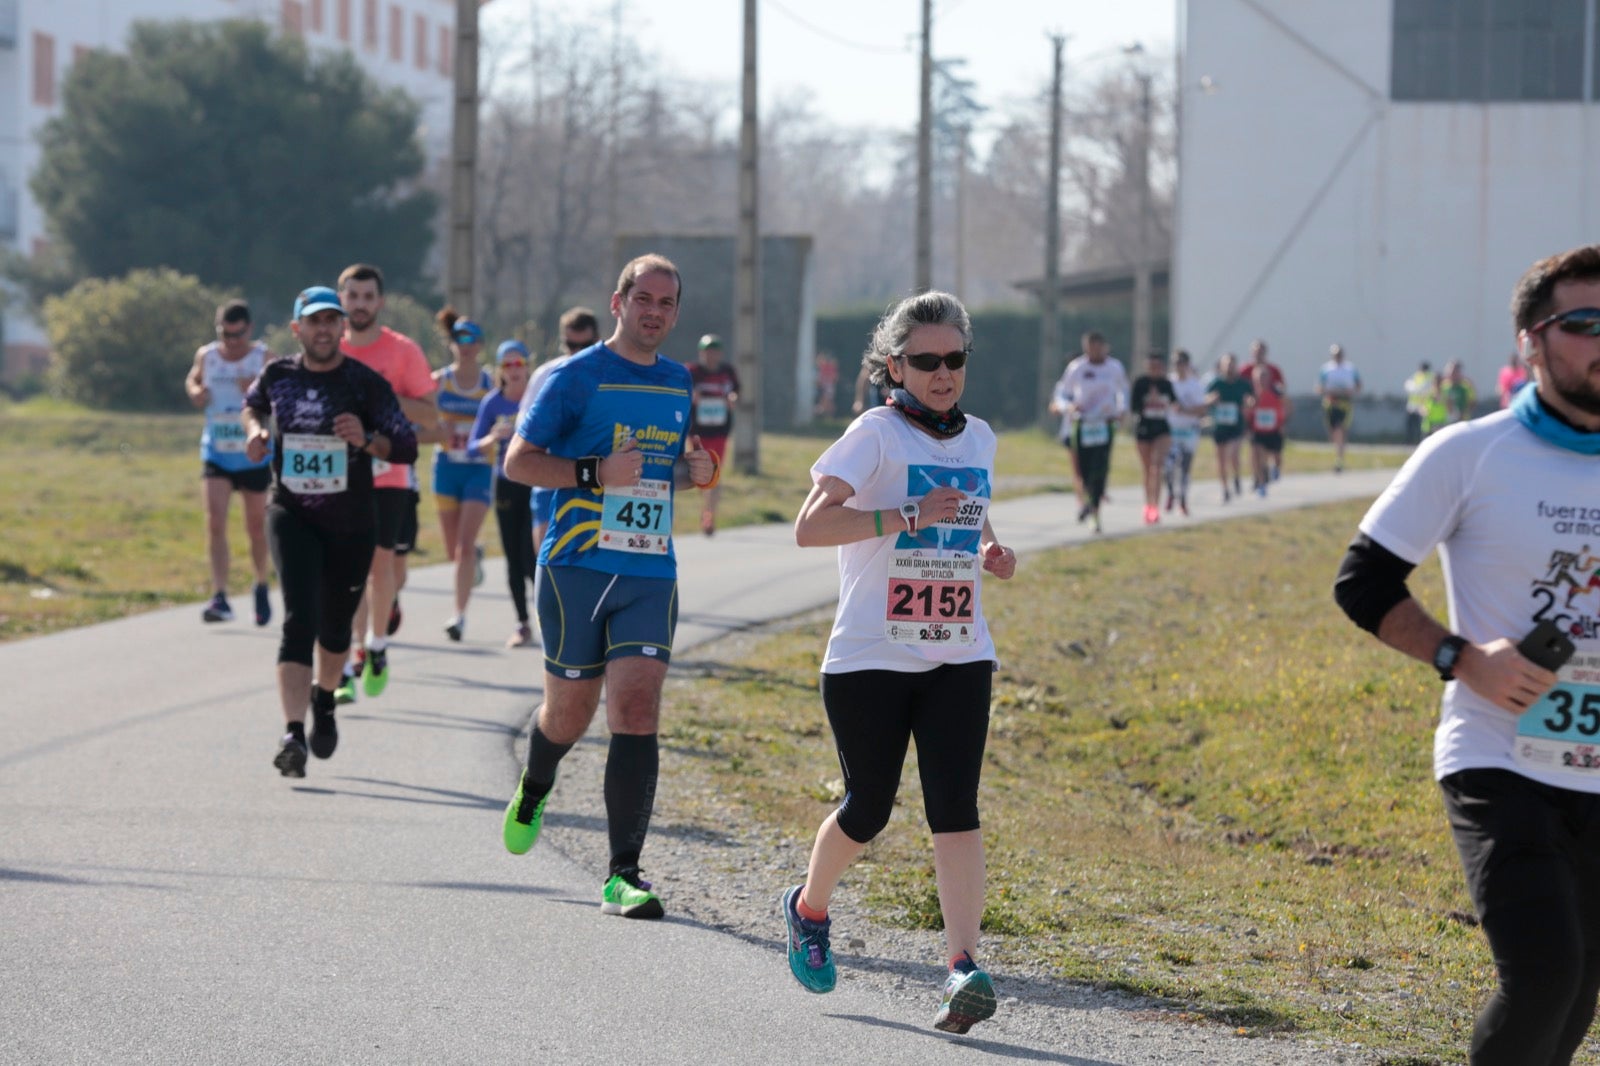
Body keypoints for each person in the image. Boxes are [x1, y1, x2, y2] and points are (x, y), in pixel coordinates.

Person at [1333, 244, 1600, 1066]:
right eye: (1584, 323)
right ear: (1530, 340)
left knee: (1577, 992)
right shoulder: (1469, 452)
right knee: (1546, 973)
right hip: (1499, 755)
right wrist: (1461, 655)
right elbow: (1363, 581)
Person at [782, 290, 1017, 1035]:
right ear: (896, 364)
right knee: (870, 808)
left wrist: (989, 551)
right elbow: (810, 528)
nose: (942, 373)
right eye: (926, 361)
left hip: (958, 650)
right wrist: (907, 515)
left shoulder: (978, 435)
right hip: (870, 657)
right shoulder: (873, 434)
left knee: (956, 807)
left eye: (954, 360)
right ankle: (808, 907)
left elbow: (968, 510)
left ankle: (961, 968)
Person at [498, 254, 716, 921]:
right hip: (575, 568)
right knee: (569, 716)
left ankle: (624, 874)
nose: (654, 312)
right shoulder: (574, 376)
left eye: (667, 303)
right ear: (618, 301)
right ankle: (536, 782)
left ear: (676, 312)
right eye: (643, 298)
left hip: (650, 571)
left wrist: (694, 471)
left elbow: (657, 475)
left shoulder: (680, 382)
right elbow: (519, 463)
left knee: (638, 708)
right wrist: (593, 473)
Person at [241, 286, 416, 777]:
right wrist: (256, 431)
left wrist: (367, 439)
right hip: (291, 511)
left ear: (343, 328)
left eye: (330, 321)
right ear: (297, 329)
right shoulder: (278, 374)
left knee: (336, 628)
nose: (323, 330)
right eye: (313, 322)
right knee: (299, 618)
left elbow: (404, 445)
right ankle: (292, 732)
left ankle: (326, 699)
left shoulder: (364, 383)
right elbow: (252, 405)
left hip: (351, 520)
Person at [333, 263, 440, 704]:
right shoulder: (327, 347)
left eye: (367, 296)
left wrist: (382, 397)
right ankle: (344, 662)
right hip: (336, 475)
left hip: (389, 473)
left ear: (380, 302)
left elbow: (431, 414)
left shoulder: (402, 351)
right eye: (352, 296)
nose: (359, 304)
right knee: (343, 572)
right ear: (341, 300)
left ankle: (376, 647)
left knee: (379, 567)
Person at [185, 299, 275, 627]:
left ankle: (261, 584)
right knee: (215, 522)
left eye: (237, 335)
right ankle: (220, 595)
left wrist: (256, 390)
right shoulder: (207, 355)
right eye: (225, 335)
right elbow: (193, 380)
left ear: (249, 330)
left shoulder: (263, 357)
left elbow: (284, 395)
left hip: (253, 453)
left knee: (255, 526)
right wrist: (196, 391)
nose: (232, 342)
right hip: (217, 451)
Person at [430, 308, 495, 642]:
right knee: (452, 550)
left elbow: (508, 413)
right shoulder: (440, 380)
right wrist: (435, 428)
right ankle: (473, 559)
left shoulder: (489, 383)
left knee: (464, 546)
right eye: (459, 339)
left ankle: (459, 616)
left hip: (478, 470)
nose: (465, 345)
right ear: (451, 343)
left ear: (480, 345)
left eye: (471, 339)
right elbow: (421, 414)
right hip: (446, 467)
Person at [469, 340, 537, 648]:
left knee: (531, 554)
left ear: (527, 366)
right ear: (500, 371)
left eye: (518, 363)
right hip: (507, 483)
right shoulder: (493, 403)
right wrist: (493, 437)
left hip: (537, 481)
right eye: (507, 365)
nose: (514, 370)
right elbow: (473, 445)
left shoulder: (537, 398)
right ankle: (522, 623)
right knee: (512, 556)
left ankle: (549, 616)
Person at [522, 307, 602, 555]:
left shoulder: (609, 374)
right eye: (570, 344)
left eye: (584, 345)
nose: (576, 352)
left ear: (597, 340)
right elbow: (523, 429)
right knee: (547, 562)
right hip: (551, 480)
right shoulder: (546, 374)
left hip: (599, 483)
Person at [1049, 330, 1128, 534]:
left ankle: (1095, 513)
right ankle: (1086, 502)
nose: (1094, 352)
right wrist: (1068, 407)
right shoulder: (1077, 368)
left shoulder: (1114, 367)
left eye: (1098, 347)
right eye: (1090, 348)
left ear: (1104, 347)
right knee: (1083, 471)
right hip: (1082, 425)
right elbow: (1062, 394)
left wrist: (1120, 411)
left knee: (1100, 469)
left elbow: (1122, 392)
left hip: (1104, 424)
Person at [689, 333, 741, 536]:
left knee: (715, 473)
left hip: (720, 430)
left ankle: (710, 515)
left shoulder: (728, 372)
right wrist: (693, 398)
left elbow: (737, 392)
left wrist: (732, 399)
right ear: (701, 353)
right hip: (698, 432)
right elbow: (684, 393)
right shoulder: (692, 372)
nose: (711, 356)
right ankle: (706, 506)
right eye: (707, 351)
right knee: (698, 474)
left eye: (715, 352)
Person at [1128, 350, 1177, 525]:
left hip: (1162, 429)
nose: (1155, 369)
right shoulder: (1140, 383)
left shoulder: (1166, 383)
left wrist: (1163, 401)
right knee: (1147, 469)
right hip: (1144, 428)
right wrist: (1149, 400)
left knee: (1157, 467)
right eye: (1152, 366)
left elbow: (1174, 403)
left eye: (1158, 366)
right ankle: (1147, 504)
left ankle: (1155, 506)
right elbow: (1133, 408)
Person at [1163, 348, 1209, 515]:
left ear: (1187, 365)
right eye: (1176, 363)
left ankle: (1183, 499)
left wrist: (1183, 410)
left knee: (1185, 467)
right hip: (1172, 431)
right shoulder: (1168, 382)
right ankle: (1170, 493)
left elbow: (1202, 409)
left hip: (1189, 431)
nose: (1178, 366)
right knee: (1168, 466)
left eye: (1181, 363)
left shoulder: (1195, 384)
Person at [1206, 353, 1253, 503]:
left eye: (1232, 365)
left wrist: (1249, 402)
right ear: (1221, 366)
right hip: (1220, 425)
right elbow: (1205, 400)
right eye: (1226, 365)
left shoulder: (1243, 384)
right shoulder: (1216, 383)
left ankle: (1236, 476)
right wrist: (1211, 400)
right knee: (1221, 459)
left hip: (1236, 425)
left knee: (1232, 453)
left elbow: (1251, 399)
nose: (1229, 368)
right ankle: (1225, 489)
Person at [1245, 339, 1288, 481]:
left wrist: (1283, 419)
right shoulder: (1245, 370)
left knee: (1275, 453)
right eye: (1256, 352)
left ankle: (1273, 468)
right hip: (1255, 418)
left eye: (1261, 352)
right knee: (1256, 450)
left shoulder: (1274, 370)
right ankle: (1258, 478)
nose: (1258, 355)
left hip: (1273, 419)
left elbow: (1282, 394)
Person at [1317, 343, 1362, 473]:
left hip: (1344, 404)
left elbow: (1358, 386)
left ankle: (1339, 460)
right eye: (1335, 355)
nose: (1337, 357)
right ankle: (1338, 450)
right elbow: (1319, 387)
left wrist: (1349, 391)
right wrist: (1328, 391)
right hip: (1330, 403)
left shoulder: (1350, 368)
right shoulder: (1326, 369)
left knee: (1340, 430)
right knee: (1332, 432)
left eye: (1339, 354)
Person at [1404, 360, 1433, 444]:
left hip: (1422, 406)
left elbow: (1423, 390)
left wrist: (1416, 389)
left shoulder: (1429, 377)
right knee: (1410, 425)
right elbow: (1407, 384)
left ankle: (1418, 442)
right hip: (1412, 405)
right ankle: (1409, 441)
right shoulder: (1416, 375)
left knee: (1420, 426)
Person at [1443, 359, 1478, 424]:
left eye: (1455, 372)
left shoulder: (1466, 385)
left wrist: (1465, 412)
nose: (1452, 374)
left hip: (1463, 421)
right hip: (1446, 422)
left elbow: (1473, 401)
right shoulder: (1444, 386)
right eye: (1450, 372)